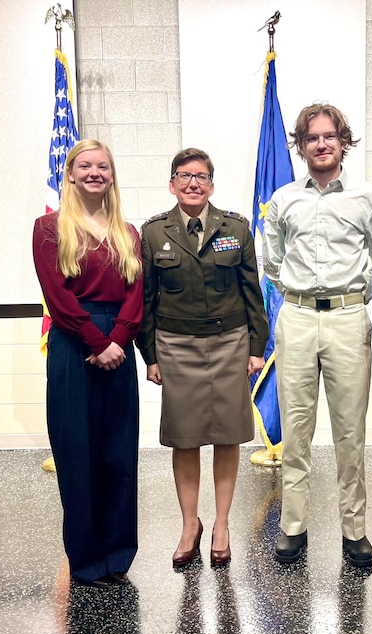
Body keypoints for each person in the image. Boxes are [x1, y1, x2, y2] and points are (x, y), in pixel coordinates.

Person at [263, 103, 372, 568]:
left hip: (346, 316)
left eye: (329, 136)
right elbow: (272, 262)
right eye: (311, 137)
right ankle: (293, 526)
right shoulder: (282, 200)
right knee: (296, 431)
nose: (321, 144)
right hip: (295, 318)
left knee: (350, 432)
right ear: (300, 145)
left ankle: (354, 530)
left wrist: (348, 299)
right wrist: (299, 296)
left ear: (343, 141)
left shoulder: (369, 197)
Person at [136, 148, 268, 569]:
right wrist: (150, 355)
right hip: (176, 346)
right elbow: (147, 299)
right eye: (184, 175)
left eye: (202, 176)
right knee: (185, 437)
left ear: (212, 184)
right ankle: (189, 524)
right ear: (172, 184)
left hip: (229, 343)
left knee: (228, 435)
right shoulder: (155, 233)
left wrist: (256, 347)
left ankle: (223, 524)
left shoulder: (236, 229)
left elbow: (252, 291)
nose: (193, 183)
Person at [33, 139, 143, 587]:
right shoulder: (49, 228)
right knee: (78, 453)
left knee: (119, 453)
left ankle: (118, 554)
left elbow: (137, 295)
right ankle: (86, 559)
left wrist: (118, 339)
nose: (95, 172)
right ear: (72, 174)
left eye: (103, 166)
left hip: (119, 344)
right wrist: (97, 342)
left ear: (111, 175)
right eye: (85, 165)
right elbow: (57, 296)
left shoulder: (128, 232)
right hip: (74, 343)